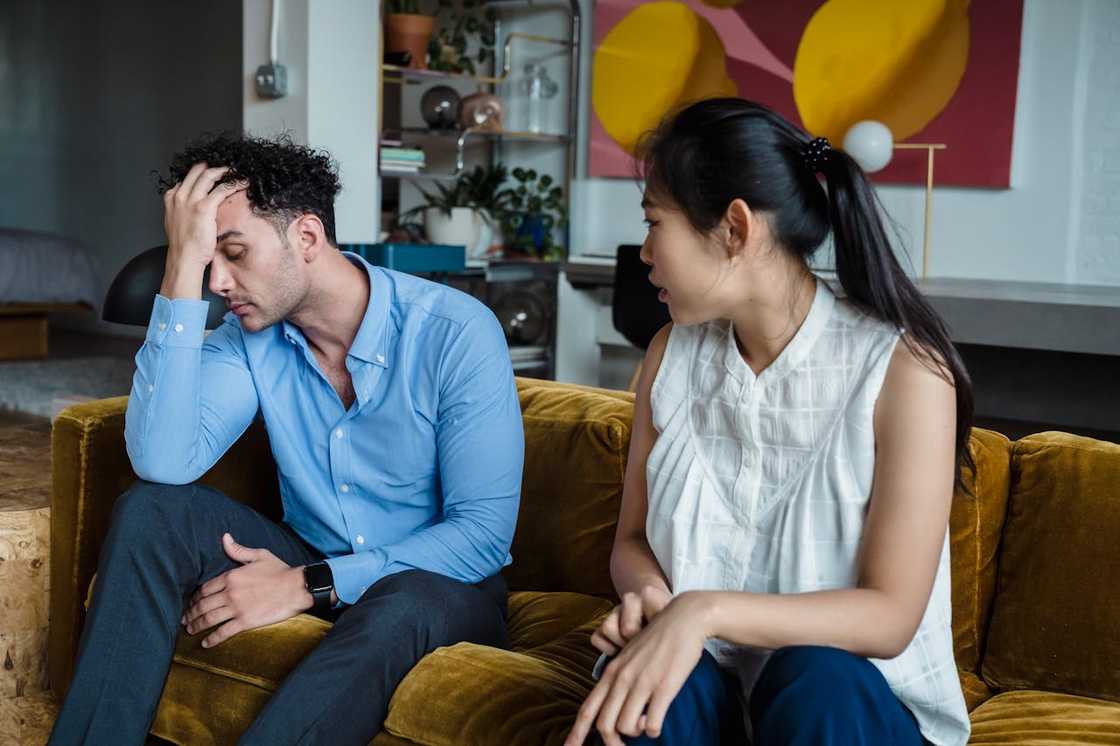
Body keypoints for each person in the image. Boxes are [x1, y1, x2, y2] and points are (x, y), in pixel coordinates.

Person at [48, 134, 524, 745]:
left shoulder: (455, 333)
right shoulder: (249, 339)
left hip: (439, 586)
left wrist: (308, 583)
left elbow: (480, 537)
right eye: (205, 260)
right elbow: (163, 462)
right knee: (153, 511)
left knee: (402, 601)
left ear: (305, 237)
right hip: (309, 549)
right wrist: (179, 268)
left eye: (234, 252)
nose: (218, 281)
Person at [565, 99, 974, 746]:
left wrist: (701, 612)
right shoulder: (671, 354)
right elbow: (632, 541)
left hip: (851, 710)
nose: (643, 251)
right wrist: (650, 601)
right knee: (647, 697)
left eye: (654, 222)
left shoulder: (906, 371)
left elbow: (889, 617)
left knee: (817, 677)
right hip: (717, 692)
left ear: (734, 228)